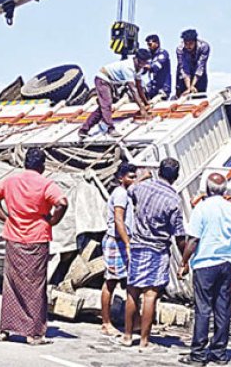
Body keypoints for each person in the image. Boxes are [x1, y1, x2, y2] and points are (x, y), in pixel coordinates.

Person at [0, 147, 69, 346]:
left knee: (12, 283)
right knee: (35, 285)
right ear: (42, 165)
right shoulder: (45, 183)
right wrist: (52, 221)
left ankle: (6, 329)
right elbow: (63, 203)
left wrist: (5, 217)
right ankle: (33, 334)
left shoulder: (11, 181)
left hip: (14, 237)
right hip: (36, 238)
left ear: (25, 163)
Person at [114, 158, 186, 353]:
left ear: (159, 171)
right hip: (157, 249)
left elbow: (130, 190)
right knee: (150, 296)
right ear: (176, 176)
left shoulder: (142, 188)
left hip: (137, 245)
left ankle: (128, 336)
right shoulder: (174, 200)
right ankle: (144, 340)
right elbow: (179, 234)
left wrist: (143, 177)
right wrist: (185, 259)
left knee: (132, 292)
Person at [178, 173, 231, 365]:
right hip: (225, 264)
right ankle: (219, 353)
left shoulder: (201, 209)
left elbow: (193, 240)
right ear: (224, 190)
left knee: (203, 309)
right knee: (222, 308)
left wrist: (184, 263)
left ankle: (198, 355)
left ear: (207, 189)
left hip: (204, 265)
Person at [100, 162, 138, 337]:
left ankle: (133, 320)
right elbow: (118, 220)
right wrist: (128, 244)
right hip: (117, 242)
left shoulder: (126, 193)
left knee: (129, 282)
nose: (134, 179)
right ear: (120, 178)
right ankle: (106, 322)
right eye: (130, 176)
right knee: (111, 281)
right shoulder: (121, 194)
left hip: (122, 241)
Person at [78, 50, 151, 139]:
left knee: (102, 108)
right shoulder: (128, 67)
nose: (143, 65)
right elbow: (133, 89)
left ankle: (84, 129)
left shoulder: (139, 69)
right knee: (107, 104)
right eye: (142, 62)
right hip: (102, 79)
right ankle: (110, 128)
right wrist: (141, 108)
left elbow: (139, 87)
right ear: (137, 59)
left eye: (145, 62)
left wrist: (146, 103)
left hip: (110, 82)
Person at [176, 29, 211, 97]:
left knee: (200, 93)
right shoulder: (180, 49)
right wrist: (189, 88)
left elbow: (200, 67)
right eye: (186, 44)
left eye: (191, 43)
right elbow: (184, 68)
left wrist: (193, 85)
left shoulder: (204, 47)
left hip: (199, 71)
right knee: (182, 93)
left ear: (195, 41)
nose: (188, 46)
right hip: (185, 72)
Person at [144, 34, 172, 100]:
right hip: (152, 89)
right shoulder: (149, 55)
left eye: (150, 44)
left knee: (153, 104)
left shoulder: (163, 53)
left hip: (163, 89)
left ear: (157, 43)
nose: (148, 47)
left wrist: (144, 66)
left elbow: (155, 67)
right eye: (148, 45)